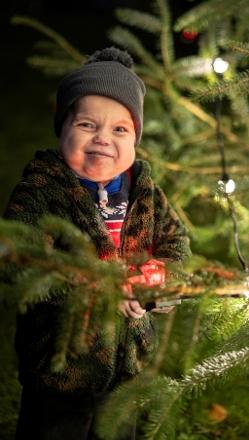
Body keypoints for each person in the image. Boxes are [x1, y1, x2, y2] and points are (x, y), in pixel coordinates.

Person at [3, 47, 191, 439]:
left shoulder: (145, 192)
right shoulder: (42, 188)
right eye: (87, 125)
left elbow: (176, 245)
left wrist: (149, 282)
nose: (103, 139)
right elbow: (20, 257)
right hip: (59, 361)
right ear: (63, 128)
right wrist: (100, 285)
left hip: (127, 360)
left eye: (120, 129)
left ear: (135, 137)